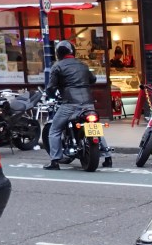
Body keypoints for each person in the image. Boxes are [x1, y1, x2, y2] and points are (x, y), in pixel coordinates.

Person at [43, 39, 112, 170]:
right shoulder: (83, 65)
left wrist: (51, 96)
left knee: (54, 130)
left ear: (58, 53)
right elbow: (93, 79)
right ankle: (108, 157)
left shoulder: (57, 66)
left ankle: (54, 161)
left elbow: (51, 87)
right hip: (88, 103)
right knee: (94, 127)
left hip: (70, 104)